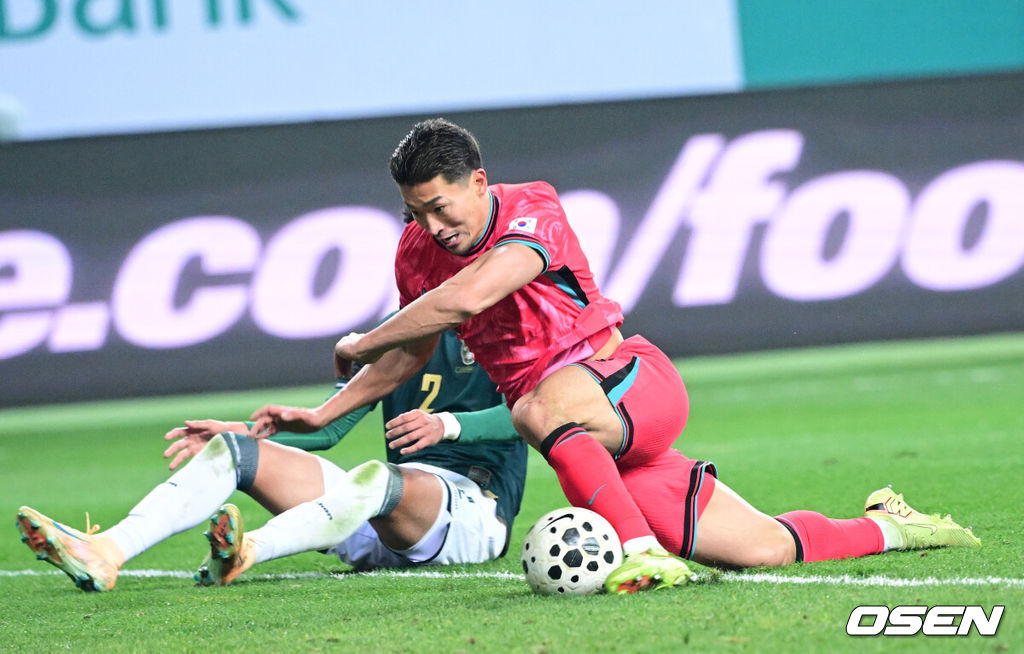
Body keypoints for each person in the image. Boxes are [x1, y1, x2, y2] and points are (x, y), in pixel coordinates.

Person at [250, 118, 980, 595]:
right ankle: (895, 525)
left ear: (479, 183)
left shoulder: (533, 208)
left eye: (442, 207)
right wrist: (326, 408)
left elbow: (465, 302)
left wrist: (359, 337)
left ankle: (638, 552)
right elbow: (410, 353)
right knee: (759, 550)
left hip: (630, 383)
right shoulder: (417, 253)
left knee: (535, 404)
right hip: (582, 432)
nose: (431, 226)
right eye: (415, 212)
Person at [16, 329, 527, 592]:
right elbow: (329, 428)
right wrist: (242, 430)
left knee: (374, 479)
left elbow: (535, 411)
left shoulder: (511, 328)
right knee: (232, 455)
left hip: (471, 516)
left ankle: (248, 550)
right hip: (373, 518)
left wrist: (450, 425)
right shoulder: (393, 337)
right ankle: (106, 551)